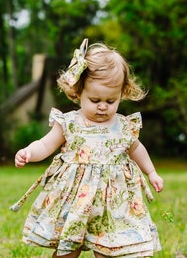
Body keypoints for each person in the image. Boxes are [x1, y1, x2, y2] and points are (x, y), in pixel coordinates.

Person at [11, 38, 164, 258]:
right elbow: (46, 144)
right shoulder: (70, 122)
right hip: (75, 200)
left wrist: (151, 172)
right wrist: (29, 153)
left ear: (122, 94)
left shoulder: (123, 125)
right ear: (79, 92)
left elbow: (137, 149)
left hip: (113, 202)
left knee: (109, 250)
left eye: (111, 101)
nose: (103, 106)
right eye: (95, 99)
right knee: (67, 250)